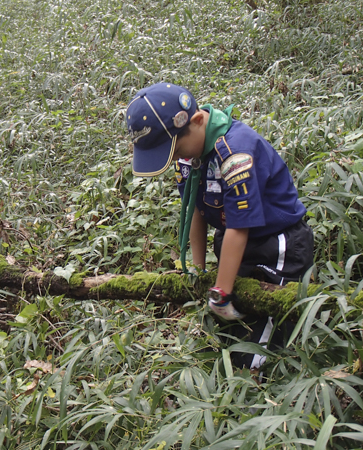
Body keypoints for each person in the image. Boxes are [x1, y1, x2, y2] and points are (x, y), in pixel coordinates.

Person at [126, 82, 314, 368]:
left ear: (198, 121)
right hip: (233, 243)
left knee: (257, 353)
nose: (176, 158)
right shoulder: (188, 159)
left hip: (277, 244)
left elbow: (240, 227)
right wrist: (200, 272)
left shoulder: (235, 154)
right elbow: (195, 212)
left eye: (175, 149)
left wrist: (221, 291)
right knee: (226, 337)